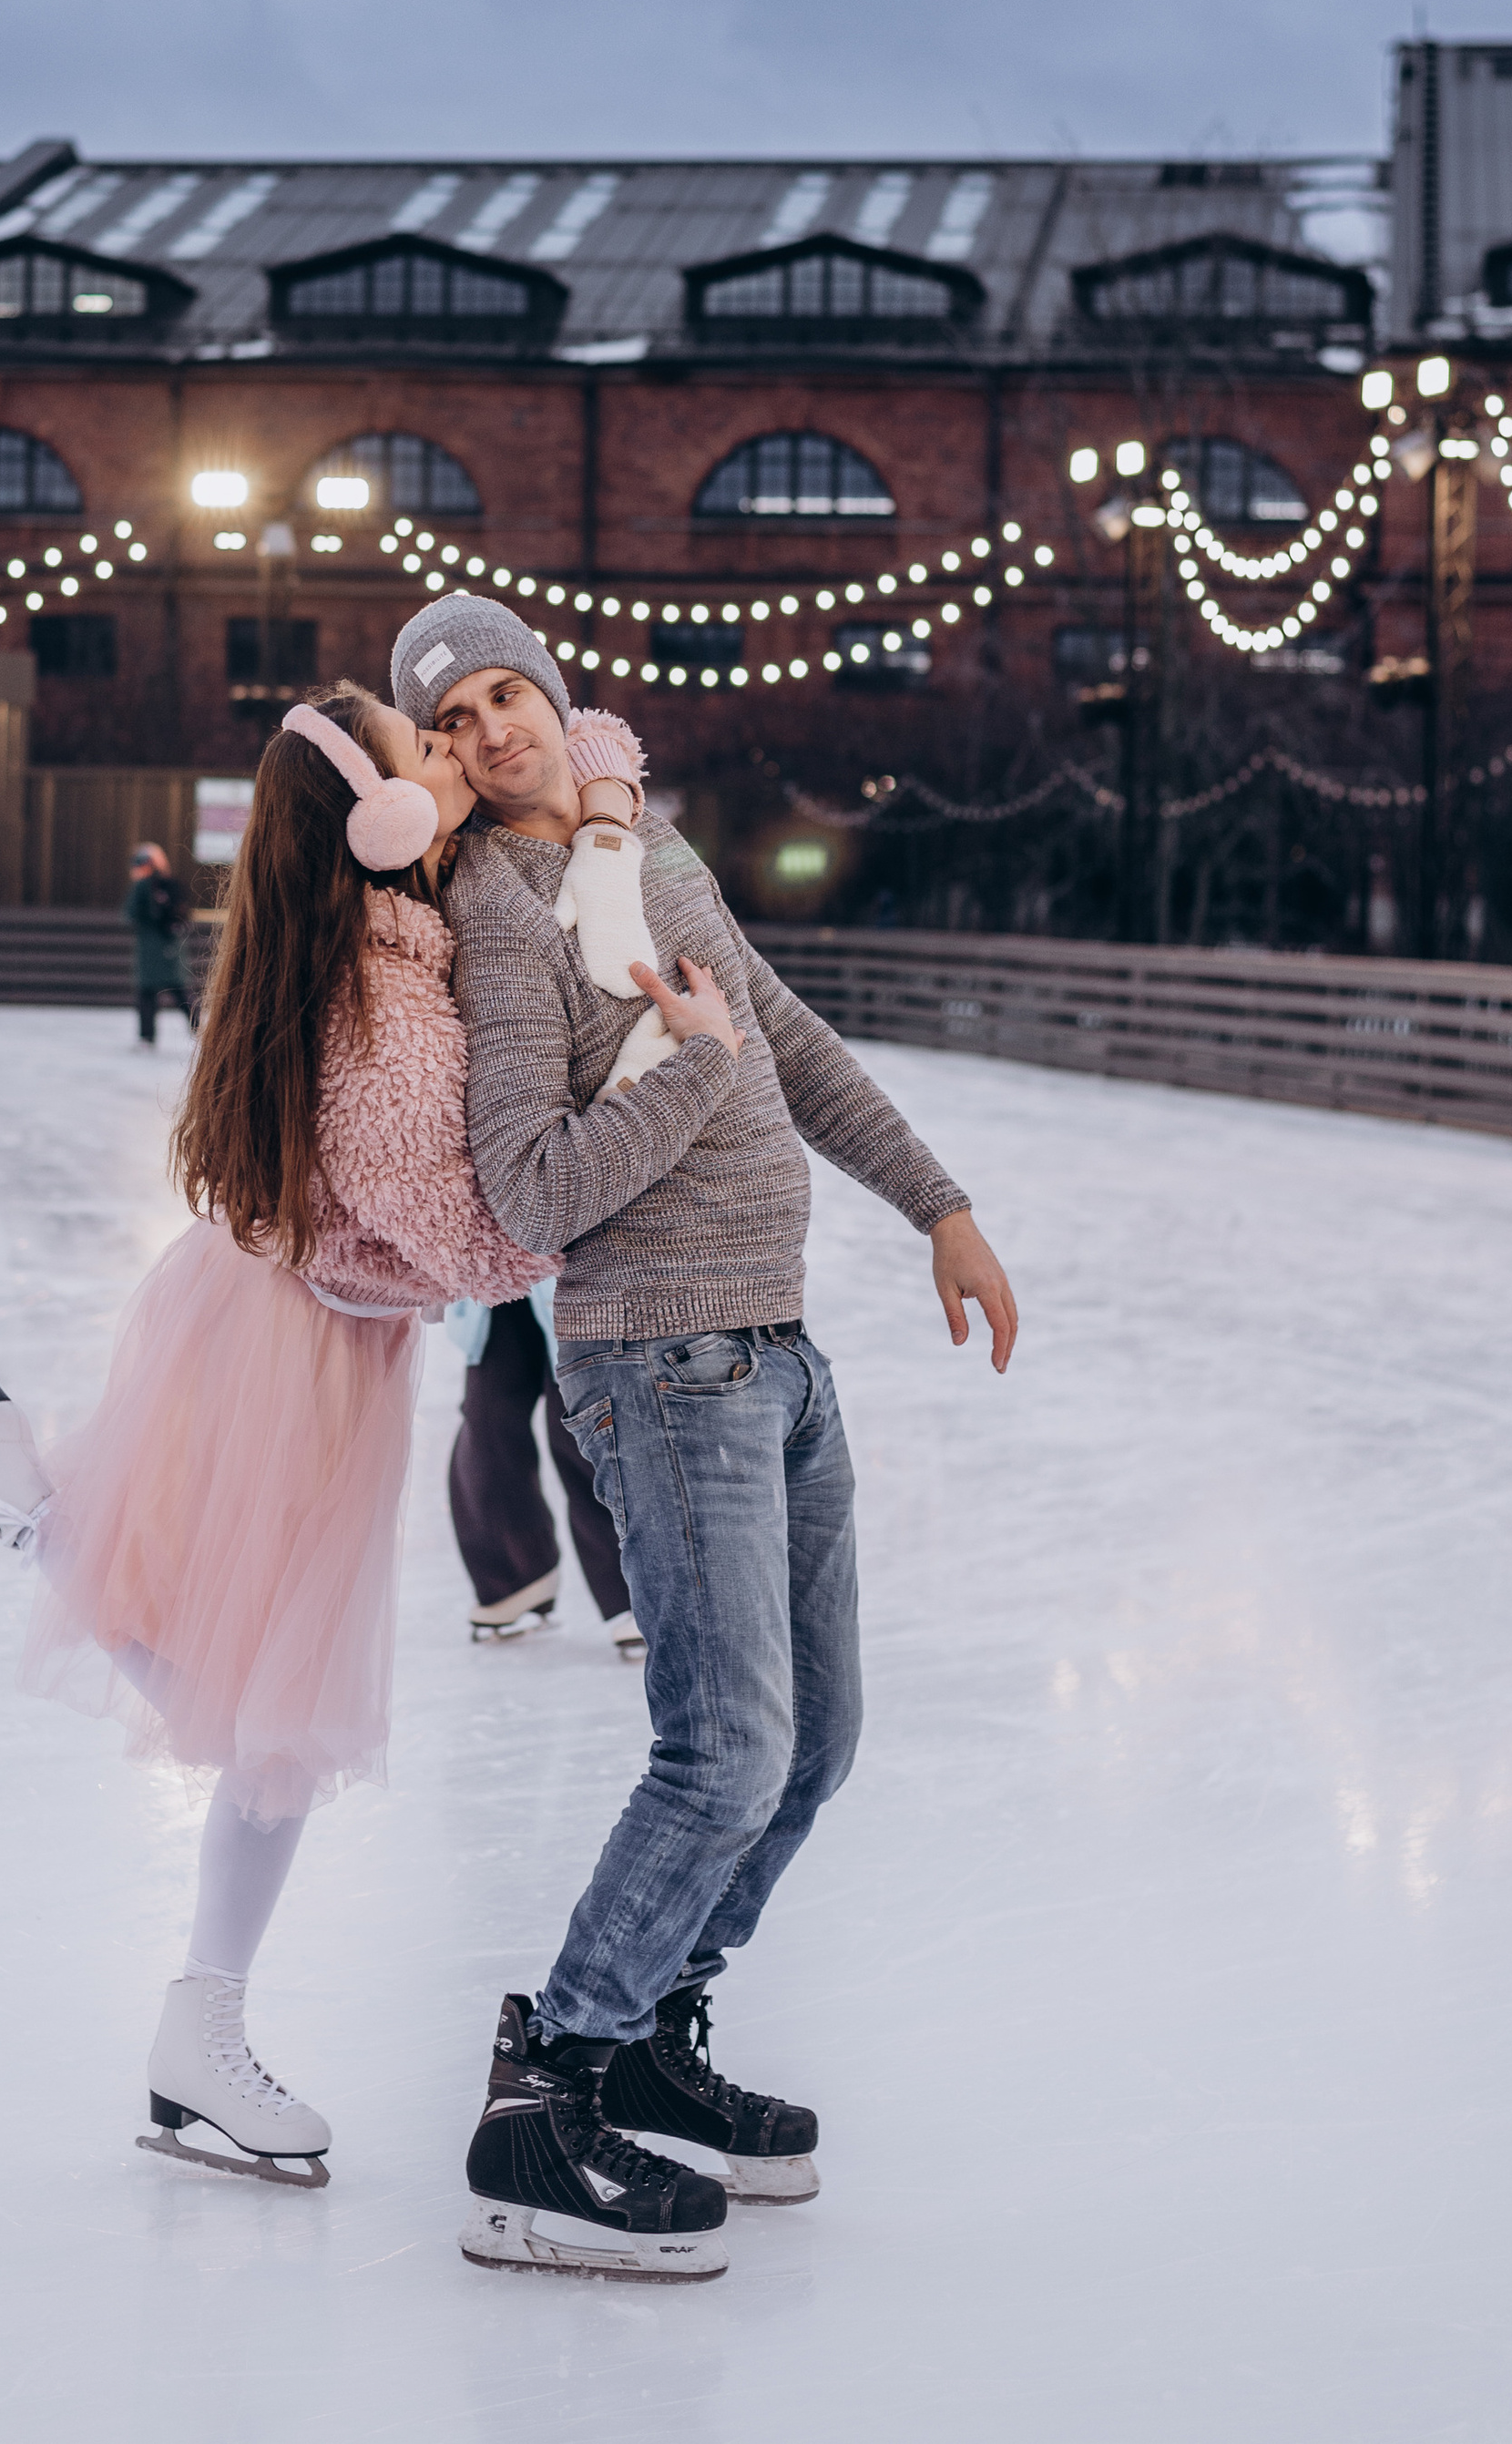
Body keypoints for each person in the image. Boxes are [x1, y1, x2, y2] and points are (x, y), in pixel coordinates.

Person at [0, 684, 652, 2192]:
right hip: (302, 1346)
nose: (453, 751)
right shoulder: (381, 986)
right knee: (271, 1710)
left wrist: (592, 802)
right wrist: (612, 1182)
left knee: (267, 1708)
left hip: (285, 1321)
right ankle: (15, 1491)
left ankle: (199, 2025)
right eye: (423, 749)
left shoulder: (374, 944)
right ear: (377, 822)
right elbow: (465, 1226)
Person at [387, 592, 1021, 2286]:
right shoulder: (499, 914)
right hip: (658, 1359)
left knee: (813, 1744)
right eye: (454, 720)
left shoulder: (645, 845)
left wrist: (937, 1202)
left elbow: (783, 1036)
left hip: (778, 1346)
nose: (495, 726)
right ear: (435, 763)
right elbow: (533, 1189)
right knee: (724, 1749)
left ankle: (658, 2023)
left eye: (509, 687)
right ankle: (547, 2093)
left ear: (556, 690)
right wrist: (684, 1062)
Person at [444, 1281, 639, 1656]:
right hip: (493, 1264)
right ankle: (515, 1576)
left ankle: (633, 1590)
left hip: (569, 1262)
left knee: (578, 1422)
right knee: (487, 1422)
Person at [124, 841, 192, 1047]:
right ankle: (147, 1035)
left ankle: (196, 1027)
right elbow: (130, 913)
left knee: (177, 992)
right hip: (153, 948)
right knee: (149, 994)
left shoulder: (166, 885)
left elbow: (180, 913)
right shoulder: (144, 887)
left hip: (166, 947)